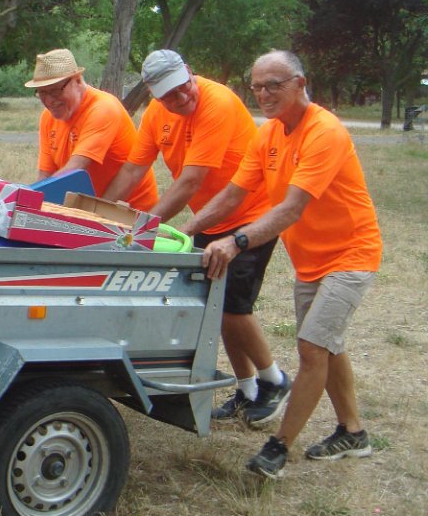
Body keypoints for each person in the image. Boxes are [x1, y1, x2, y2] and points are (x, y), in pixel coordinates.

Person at [186, 50, 382, 479]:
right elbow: (233, 194)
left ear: (300, 83)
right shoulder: (269, 133)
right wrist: (186, 230)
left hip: (351, 254)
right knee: (327, 344)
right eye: (256, 86)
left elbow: (292, 208)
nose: (264, 94)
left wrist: (236, 241)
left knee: (312, 348)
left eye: (273, 85)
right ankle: (353, 432)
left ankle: (278, 448)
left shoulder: (324, 132)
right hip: (310, 260)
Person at [103, 50, 289, 426]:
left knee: (234, 306)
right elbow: (134, 169)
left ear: (190, 72)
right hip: (211, 218)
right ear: (154, 95)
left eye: (183, 86)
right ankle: (247, 388)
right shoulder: (156, 116)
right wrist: (97, 211)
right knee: (214, 305)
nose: (181, 97)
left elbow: (190, 181)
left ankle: (275, 380)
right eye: (169, 95)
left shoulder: (217, 103)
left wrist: (146, 229)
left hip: (251, 216)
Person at [24, 49, 157, 211]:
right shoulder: (48, 117)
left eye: (55, 91)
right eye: (42, 92)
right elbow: (45, 176)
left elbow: (75, 169)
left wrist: (28, 200)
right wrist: (29, 201)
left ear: (78, 81)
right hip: (92, 205)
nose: (49, 100)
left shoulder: (103, 109)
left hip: (129, 208)